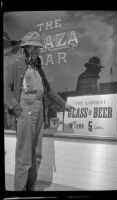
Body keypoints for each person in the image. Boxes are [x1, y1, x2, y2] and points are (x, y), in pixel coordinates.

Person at [4, 31, 72, 191]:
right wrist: (16, 108)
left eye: (38, 48)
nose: (36, 51)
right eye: (33, 48)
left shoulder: (38, 67)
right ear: (25, 47)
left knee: (37, 155)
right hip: (25, 112)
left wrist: (64, 105)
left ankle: (30, 189)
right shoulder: (14, 64)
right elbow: (5, 88)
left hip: (40, 111)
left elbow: (48, 90)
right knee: (24, 158)